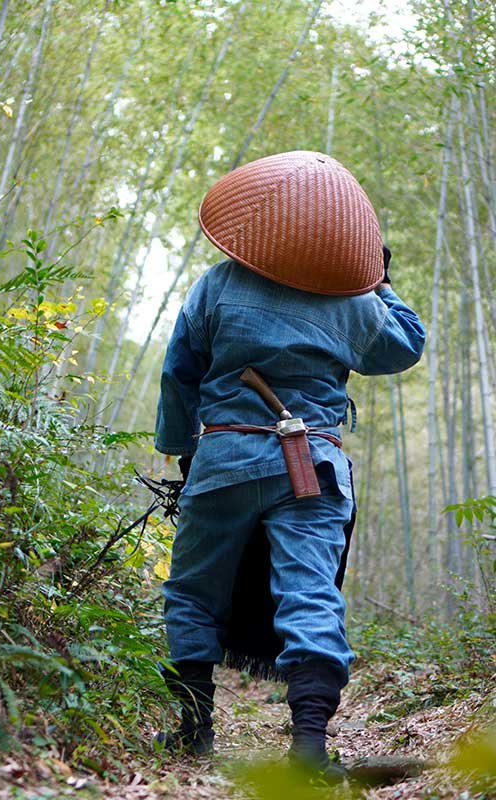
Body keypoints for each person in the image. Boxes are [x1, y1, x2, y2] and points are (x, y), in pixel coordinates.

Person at [152, 151, 425, 776]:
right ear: (342, 239)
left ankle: (194, 733)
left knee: (192, 592)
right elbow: (406, 345)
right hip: (312, 469)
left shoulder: (217, 283)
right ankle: (309, 749)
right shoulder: (355, 302)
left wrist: (184, 451)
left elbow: (179, 373)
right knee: (310, 595)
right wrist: (381, 282)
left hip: (221, 458)